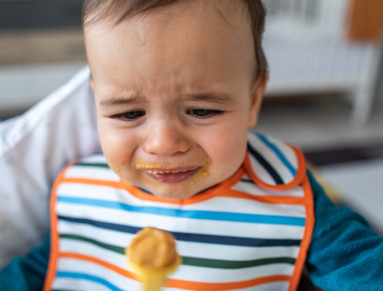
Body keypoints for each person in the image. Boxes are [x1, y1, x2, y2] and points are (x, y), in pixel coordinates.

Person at [1, 0, 383, 290]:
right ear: (96, 103)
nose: (163, 144)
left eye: (201, 110)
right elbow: (48, 264)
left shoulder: (285, 189)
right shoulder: (83, 191)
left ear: (253, 100)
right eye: (129, 114)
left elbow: (361, 263)